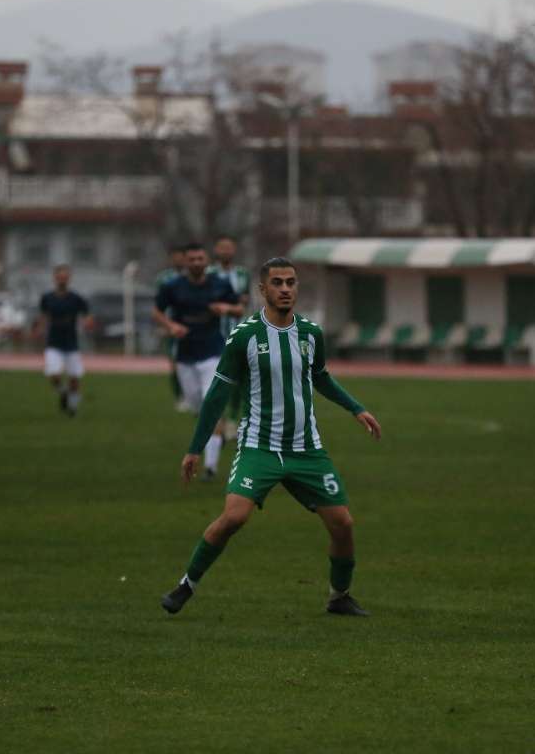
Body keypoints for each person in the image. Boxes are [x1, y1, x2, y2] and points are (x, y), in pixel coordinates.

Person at [160, 257, 383, 618]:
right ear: (262, 290)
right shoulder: (245, 337)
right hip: (259, 446)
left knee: (343, 524)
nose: (285, 289)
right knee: (234, 518)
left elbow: (321, 376)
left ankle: (339, 596)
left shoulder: (311, 333)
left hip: (306, 449)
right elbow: (217, 394)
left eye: (291, 282)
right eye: (277, 283)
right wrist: (195, 448)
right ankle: (186, 585)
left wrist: (356, 408)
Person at [152, 243, 244, 479]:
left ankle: (210, 467)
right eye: (191, 259)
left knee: (210, 404)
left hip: (213, 353)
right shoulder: (173, 287)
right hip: (185, 356)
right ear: (185, 261)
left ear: (206, 260)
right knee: (198, 408)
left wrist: (226, 308)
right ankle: (219, 435)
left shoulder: (220, 285)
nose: (196, 263)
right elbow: (156, 312)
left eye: (200, 258)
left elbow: (239, 308)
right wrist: (171, 325)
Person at [207, 235, 250, 440]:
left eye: (229, 247)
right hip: (212, 334)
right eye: (221, 247)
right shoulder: (209, 273)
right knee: (216, 379)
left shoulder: (242, 273)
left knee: (238, 378)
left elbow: (245, 300)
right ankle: (218, 421)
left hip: (237, 331)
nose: (225, 251)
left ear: (234, 250)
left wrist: (227, 306)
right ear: (216, 250)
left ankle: (233, 419)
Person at [35, 264, 92, 417]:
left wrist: (88, 322)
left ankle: (72, 409)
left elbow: (87, 314)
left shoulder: (76, 298)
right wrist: (40, 328)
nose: (62, 280)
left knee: (74, 378)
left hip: (71, 343)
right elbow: (43, 316)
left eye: (65, 277)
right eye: (60, 277)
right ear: (55, 278)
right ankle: (63, 392)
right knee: (53, 374)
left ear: (69, 279)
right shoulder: (47, 298)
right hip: (53, 342)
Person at [155, 245, 188, 411]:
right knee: (175, 363)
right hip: (172, 326)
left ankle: (192, 395)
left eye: (181, 257)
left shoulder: (194, 277)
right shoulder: (164, 278)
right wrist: (163, 325)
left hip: (192, 326)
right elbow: (158, 305)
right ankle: (179, 397)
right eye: (175, 257)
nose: (178, 260)